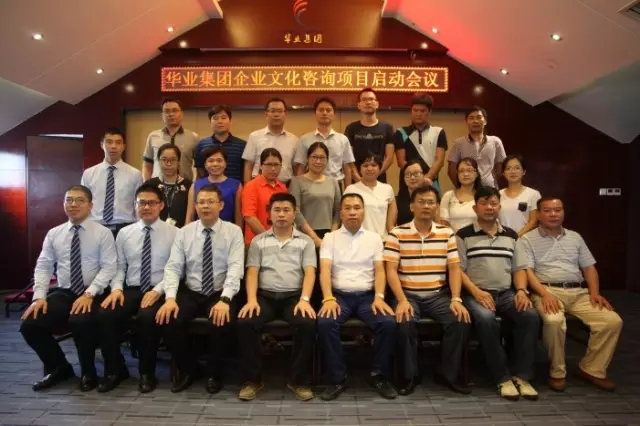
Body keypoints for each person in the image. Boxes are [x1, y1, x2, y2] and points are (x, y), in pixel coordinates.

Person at [20, 185, 116, 392]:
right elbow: (44, 266)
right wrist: (39, 297)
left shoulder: (103, 233)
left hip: (94, 292)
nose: (73, 205)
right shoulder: (54, 233)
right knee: (30, 325)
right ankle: (60, 367)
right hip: (65, 291)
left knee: (80, 321)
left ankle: (89, 372)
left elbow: (109, 267)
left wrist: (89, 294)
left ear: (90, 205)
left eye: (80, 200)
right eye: (69, 200)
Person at [522, 197, 623, 392]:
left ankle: (592, 369)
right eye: (548, 210)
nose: (553, 214)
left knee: (612, 321)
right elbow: (528, 272)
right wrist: (544, 294)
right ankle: (557, 371)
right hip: (547, 290)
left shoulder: (575, 237)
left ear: (563, 212)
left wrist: (595, 293)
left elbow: (589, 268)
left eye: (558, 210)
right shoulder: (527, 239)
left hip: (578, 292)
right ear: (539, 215)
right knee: (554, 321)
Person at [155, 184, 245, 393]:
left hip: (220, 290)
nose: (205, 206)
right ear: (195, 206)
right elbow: (174, 267)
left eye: (211, 202)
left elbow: (235, 268)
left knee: (222, 321)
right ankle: (189, 369)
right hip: (191, 290)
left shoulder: (233, 231)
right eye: (201, 202)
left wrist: (225, 300)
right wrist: (170, 298)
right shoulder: (184, 232)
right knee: (168, 319)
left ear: (221, 205)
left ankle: (215, 373)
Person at [385, 185, 471, 396]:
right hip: (408, 294)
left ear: (437, 207)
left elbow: (454, 268)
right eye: (421, 201)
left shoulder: (446, 233)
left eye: (431, 202)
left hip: (438, 295)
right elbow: (390, 270)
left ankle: (447, 374)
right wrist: (402, 300)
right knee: (404, 321)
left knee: (460, 319)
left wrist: (456, 298)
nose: (426, 206)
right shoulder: (397, 233)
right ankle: (409, 376)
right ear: (411, 206)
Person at [457, 186, 541, 400]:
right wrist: (476, 292)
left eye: (493, 203)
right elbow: (458, 270)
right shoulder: (463, 235)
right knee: (486, 320)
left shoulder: (511, 235)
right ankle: (502, 377)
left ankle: (522, 376)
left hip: (506, 293)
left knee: (530, 316)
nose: (489, 207)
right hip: (476, 293)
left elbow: (518, 268)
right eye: (484, 203)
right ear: (475, 208)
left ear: (499, 207)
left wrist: (521, 290)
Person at [316, 193, 398, 401]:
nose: (352, 212)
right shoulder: (330, 238)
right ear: (341, 212)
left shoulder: (374, 238)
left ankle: (378, 374)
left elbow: (380, 271)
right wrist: (328, 298)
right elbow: (325, 270)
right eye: (347, 208)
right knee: (325, 322)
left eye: (357, 207)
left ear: (364, 211)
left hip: (367, 297)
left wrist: (379, 296)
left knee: (388, 323)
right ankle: (338, 377)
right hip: (339, 296)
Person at [236, 193, 317, 401]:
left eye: (286, 210)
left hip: (294, 297)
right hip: (265, 296)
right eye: (277, 210)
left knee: (307, 323)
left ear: (294, 214)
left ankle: (298, 380)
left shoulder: (305, 241)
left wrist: (305, 300)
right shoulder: (259, 241)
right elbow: (252, 272)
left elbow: (310, 272)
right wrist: (251, 300)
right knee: (246, 322)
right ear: (269, 214)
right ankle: (252, 380)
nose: (281, 215)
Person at [97, 184, 177, 393]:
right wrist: (116, 289)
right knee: (105, 314)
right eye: (141, 203)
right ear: (135, 206)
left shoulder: (175, 233)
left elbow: (176, 269)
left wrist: (157, 291)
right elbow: (119, 267)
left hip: (160, 288)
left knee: (146, 317)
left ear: (161, 205)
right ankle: (115, 370)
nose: (146, 207)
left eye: (151, 203)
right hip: (131, 289)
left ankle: (146, 373)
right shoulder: (125, 233)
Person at [81, 128, 143, 237]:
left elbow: (138, 204)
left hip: (125, 228)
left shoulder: (135, 174)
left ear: (123, 146)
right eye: (109, 142)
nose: (113, 146)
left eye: (118, 142)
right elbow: (83, 203)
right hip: (96, 227)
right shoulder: (89, 173)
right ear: (102, 144)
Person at [294, 97, 355, 190]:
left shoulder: (343, 139)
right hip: (311, 185)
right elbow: (301, 167)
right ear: (315, 113)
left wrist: (348, 191)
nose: (324, 113)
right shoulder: (305, 139)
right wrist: (299, 189)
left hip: (335, 185)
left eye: (328, 110)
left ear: (334, 114)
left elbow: (347, 168)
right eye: (321, 110)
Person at [289, 142, 341, 249]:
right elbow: (295, 210)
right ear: (307, 159)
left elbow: (338, 210)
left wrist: (332, 235)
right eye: (314, 157)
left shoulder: (333, 182)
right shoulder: (297, 181)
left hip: (329, 235)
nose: (318, 161)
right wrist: (314, 238)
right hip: (304, 235)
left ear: (327, 160)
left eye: (322, 158)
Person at [394, 94, 448, 194]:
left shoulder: (439, 132)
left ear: (429, 112)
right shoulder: (401, 132)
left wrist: (426, 179)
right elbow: (401, 162)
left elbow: (439, 160)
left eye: (422, 111)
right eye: (415, 110)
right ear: (411, 111)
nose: (418, 114)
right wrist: (416, 179)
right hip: (408, 184)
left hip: (431, 182)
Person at [242, 97, 299, 185]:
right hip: (259, 186)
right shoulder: (254, 137)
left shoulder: (294, 140)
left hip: (285, 186)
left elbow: (296, 169)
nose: (276, 114)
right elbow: (248, 166)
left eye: (279, 111)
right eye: (272, 111)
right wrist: (247, 187)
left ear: (285, 114)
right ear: (266, 114)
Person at [344, 88, 395, 184]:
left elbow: (389, 158)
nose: (368, 102)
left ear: (377, 104)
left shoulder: (387, 128)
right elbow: (348, 158)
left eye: (371, 99)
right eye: (364, 100)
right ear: (359, 105)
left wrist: (374, 176)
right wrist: (358, 178)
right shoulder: (351, 128)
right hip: (357, 180)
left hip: (379, 180)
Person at [448, 106, 506, 188]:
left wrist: (491, 180)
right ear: (466, 121)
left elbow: (501, 167)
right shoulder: (459, 143)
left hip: (490, 189)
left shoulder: (495, 141)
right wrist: (460, 188)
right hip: (467, 189)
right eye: (471, 118)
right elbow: (451, 170)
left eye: (479, 117)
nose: (475, 121)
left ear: (485, 121)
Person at [142, 98, 199, 182]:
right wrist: (147, 184)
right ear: (162, 115)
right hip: (158, 186)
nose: (171, 114)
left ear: (182, 113)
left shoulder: (193, 137)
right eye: (167, 111)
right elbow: (147, 164)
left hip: (185, 185)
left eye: (175, 110)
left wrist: (195, 184)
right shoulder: (153, 136)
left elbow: (199, 166)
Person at [187, 146, 243, 228]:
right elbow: (190, 215)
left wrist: (239, 232)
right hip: (200, 231)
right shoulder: (196, 185)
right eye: (211, 161)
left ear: (225, 163)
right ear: (205, 164)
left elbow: (238, 215)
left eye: (219, 160)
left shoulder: (236, 185)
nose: (215, 164)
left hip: (227, 231)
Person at [343, 154, 397, 237]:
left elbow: (391, 222)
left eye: (374, 165)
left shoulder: (387, 188)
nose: (369, 168)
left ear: (379, 168)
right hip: (358, 239)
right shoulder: (351, 189)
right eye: (365, 166)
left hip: (382, 239)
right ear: (360, 169)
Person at [242, 148, 288, 245]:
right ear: (261, 166)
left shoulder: (283, 188)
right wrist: (270, 239)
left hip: (280, 241)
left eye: (276, 165)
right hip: (256, 242)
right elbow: (249, 217)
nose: (273, 169)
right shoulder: (251, 186)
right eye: (269, 164)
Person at [193, 105, 246, 182]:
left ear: (230, 121)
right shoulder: (201, 145)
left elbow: (246, 170)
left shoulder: (242, 145)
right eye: (215, 118)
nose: (220, 121)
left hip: (235, 188)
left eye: (223, 118)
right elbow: (200, 172)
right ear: (210, 122)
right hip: (208, 188)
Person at [144, 143, 192, 228]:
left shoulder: (188, 185)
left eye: (173, 160)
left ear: (178, 162)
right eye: (164, 159)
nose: (168, 164)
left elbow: (190, 216)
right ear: (159, 161)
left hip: (181, 231)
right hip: (156, 230)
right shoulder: (150, 185)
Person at [498, 155, 541, 236]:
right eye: (508, 168)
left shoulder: (533, 194)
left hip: (526, 239)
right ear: (503, 173)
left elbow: (534, 221)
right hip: (503, 239)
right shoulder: (498, 195)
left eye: (517, 168)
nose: (512, 171)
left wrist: (517, 236)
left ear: (524, 171)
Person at [440, 157, 482, 231]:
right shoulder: (448, 195)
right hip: (452, 236)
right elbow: (444, 223)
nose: (465, 174)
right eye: (461, 171)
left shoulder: (482, 196)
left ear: (477, 174)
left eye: (469, 170)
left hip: (477, 237)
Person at [395, 159, 438, 225]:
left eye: (416, 173)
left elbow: (438, 223)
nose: (412, 177)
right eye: (408, 174)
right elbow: (392, 225)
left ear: (424, 175)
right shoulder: (398, 199)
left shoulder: (431, 196)